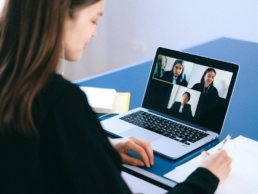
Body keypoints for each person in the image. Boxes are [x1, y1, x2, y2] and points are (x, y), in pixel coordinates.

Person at [0, 0, 231, 193]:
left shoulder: (13, 82)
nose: (94, 32)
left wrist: (100, 149)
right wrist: (206, 177)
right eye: (94, 19)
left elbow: (30, 153)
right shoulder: (62, 102)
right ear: (60, 14)